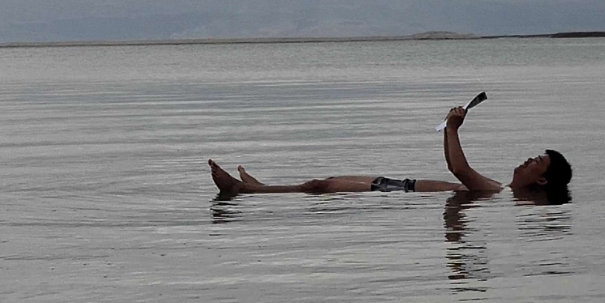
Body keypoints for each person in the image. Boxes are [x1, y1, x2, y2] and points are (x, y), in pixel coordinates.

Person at [209, 104, 572, 201]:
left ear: (541, 180)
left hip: (399, 192)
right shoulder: (497, 189)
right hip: (399, 185)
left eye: (535, 162)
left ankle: (246, 192)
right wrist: (449, 128)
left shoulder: (495, 194)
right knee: (322, 183)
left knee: (321, 185)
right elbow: (459, 170)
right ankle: (258, 190)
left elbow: (460, 170)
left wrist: (452, 129)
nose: (527, 160)